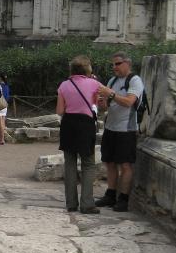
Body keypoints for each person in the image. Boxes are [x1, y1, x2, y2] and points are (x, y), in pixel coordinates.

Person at [95, 51, 144, 212]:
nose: (114, 67)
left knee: (125, 164)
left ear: (127, 63)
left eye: (118, 63)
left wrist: (111, 94)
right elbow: (106, 107)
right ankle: (110, 194)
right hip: (111, 127)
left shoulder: (135, 80)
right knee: (109, 162)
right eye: (113, 64)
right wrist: (101, 102)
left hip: (126, 129)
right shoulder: (113, 80)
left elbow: (129, 102)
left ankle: (123, 198)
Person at [57, 55, 103, 214]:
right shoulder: (94, 84)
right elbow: (101, 102)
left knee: (70, 163)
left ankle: (71, 203)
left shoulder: (64, 85)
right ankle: (87, 203)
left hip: (68, 124)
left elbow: (60, 111)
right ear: (88, 69)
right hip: (85, 125)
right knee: (88, 163)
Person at [0, 73, 11, 145]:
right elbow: (8, 96)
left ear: (0, 78)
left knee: (0, 124)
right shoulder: (6, 86)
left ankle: (2, 139)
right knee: (3, 123)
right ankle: (1, 138)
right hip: (4, 105)